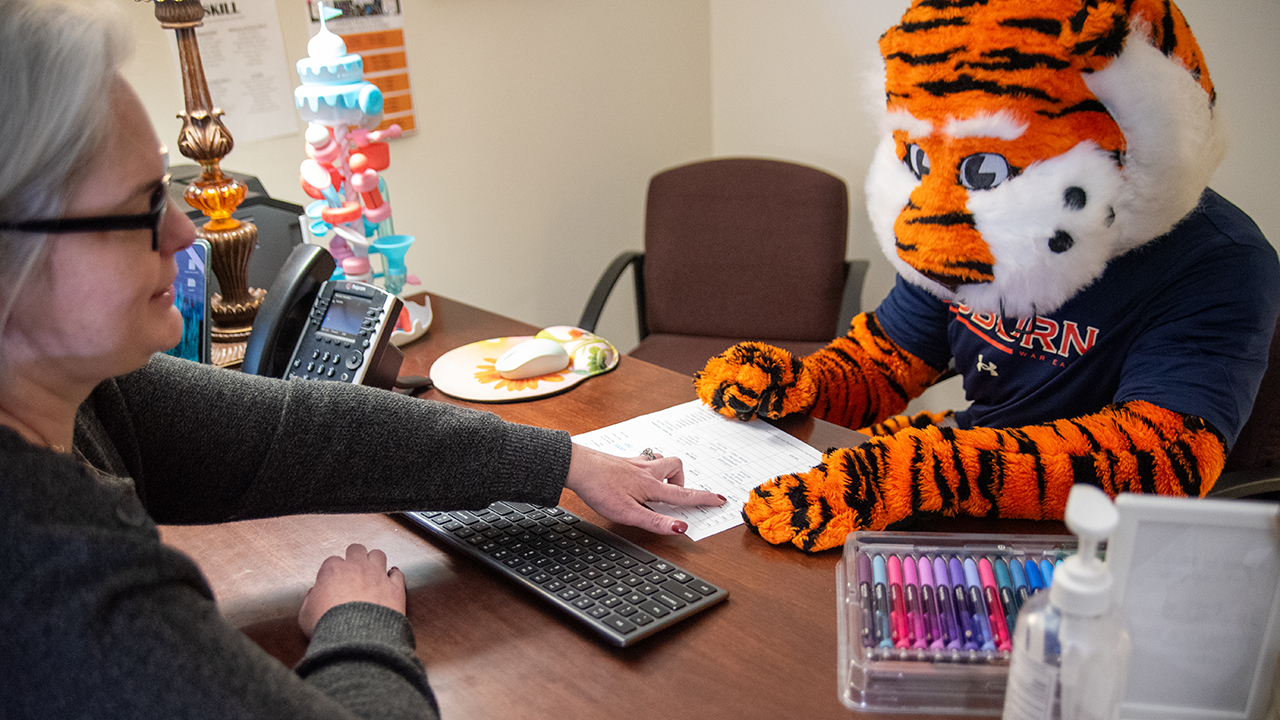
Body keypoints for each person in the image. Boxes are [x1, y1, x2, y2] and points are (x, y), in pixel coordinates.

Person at [0, 1, 724, 718]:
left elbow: (293, 434)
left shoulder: (84, 393)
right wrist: (358, 623)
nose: (185, 232)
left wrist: (564, 462)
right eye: (143, 206)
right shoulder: (51, 580)